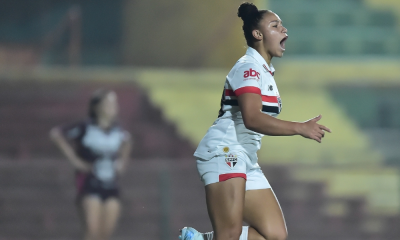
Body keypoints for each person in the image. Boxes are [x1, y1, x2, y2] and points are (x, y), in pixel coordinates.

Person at [179, 2, 331, 240]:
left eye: (282, 25)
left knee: (275, 235)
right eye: (275, 25)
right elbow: (251, 118)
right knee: (229, 233)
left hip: (245, 157)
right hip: (225, 151)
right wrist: (300, 128)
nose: (284, 30)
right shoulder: (248, 67)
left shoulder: (264, 71)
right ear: (257, 34)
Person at [50, 89, 132, 240]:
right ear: (97, 106)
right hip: (89, 183)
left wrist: (122, 162)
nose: (112, 107)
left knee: (105, 234)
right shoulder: (85, 127)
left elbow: (127, 142)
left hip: (111, 184)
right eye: (108, 103)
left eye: (114, 104)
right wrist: (75, 160)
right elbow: (57, 134)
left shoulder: (118, 129)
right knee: (92, 231)